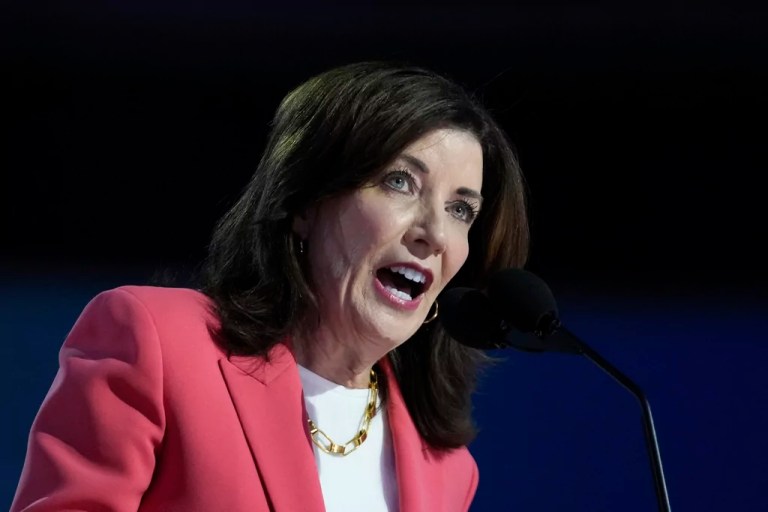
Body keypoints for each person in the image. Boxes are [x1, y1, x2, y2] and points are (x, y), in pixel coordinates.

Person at [10, 60, 530, 512]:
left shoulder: (446, 467)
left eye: (460, 210)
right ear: (305, 202)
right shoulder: (158, 342)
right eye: (400, 181)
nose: (435, 234)